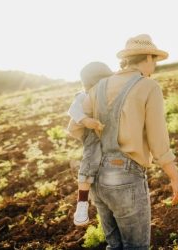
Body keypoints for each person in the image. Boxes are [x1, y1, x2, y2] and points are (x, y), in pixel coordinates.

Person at [70, 34, 178, 249]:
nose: (155, 66)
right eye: (155, 61)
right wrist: (175, 179)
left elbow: (74, 127)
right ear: (149, 57)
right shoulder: (149, 87)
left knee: (115, 246)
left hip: (96, 179)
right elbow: (158, 141)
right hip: (125, 179)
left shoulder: (97, 87)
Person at [66, 62, 112, 226]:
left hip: (107, 134)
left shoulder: (111, 93)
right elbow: (73, 111)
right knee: (89, 162)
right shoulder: (83, 95)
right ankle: (82, 203)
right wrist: (86, 121)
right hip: (92, 134)